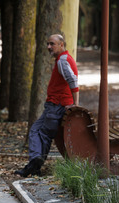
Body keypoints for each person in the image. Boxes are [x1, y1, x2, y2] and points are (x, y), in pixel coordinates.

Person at [15, 34, 79, 177]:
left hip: (57, 105)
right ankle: (34, 166)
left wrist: (75, 104)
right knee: (41, 133)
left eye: (52, 44)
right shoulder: (63, 59)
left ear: (61, 45)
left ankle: (34, 163)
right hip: (56, 105)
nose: (49, 47)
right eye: (48, 44)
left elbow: (73, 81)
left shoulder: (62, 61)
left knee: (38, 132)